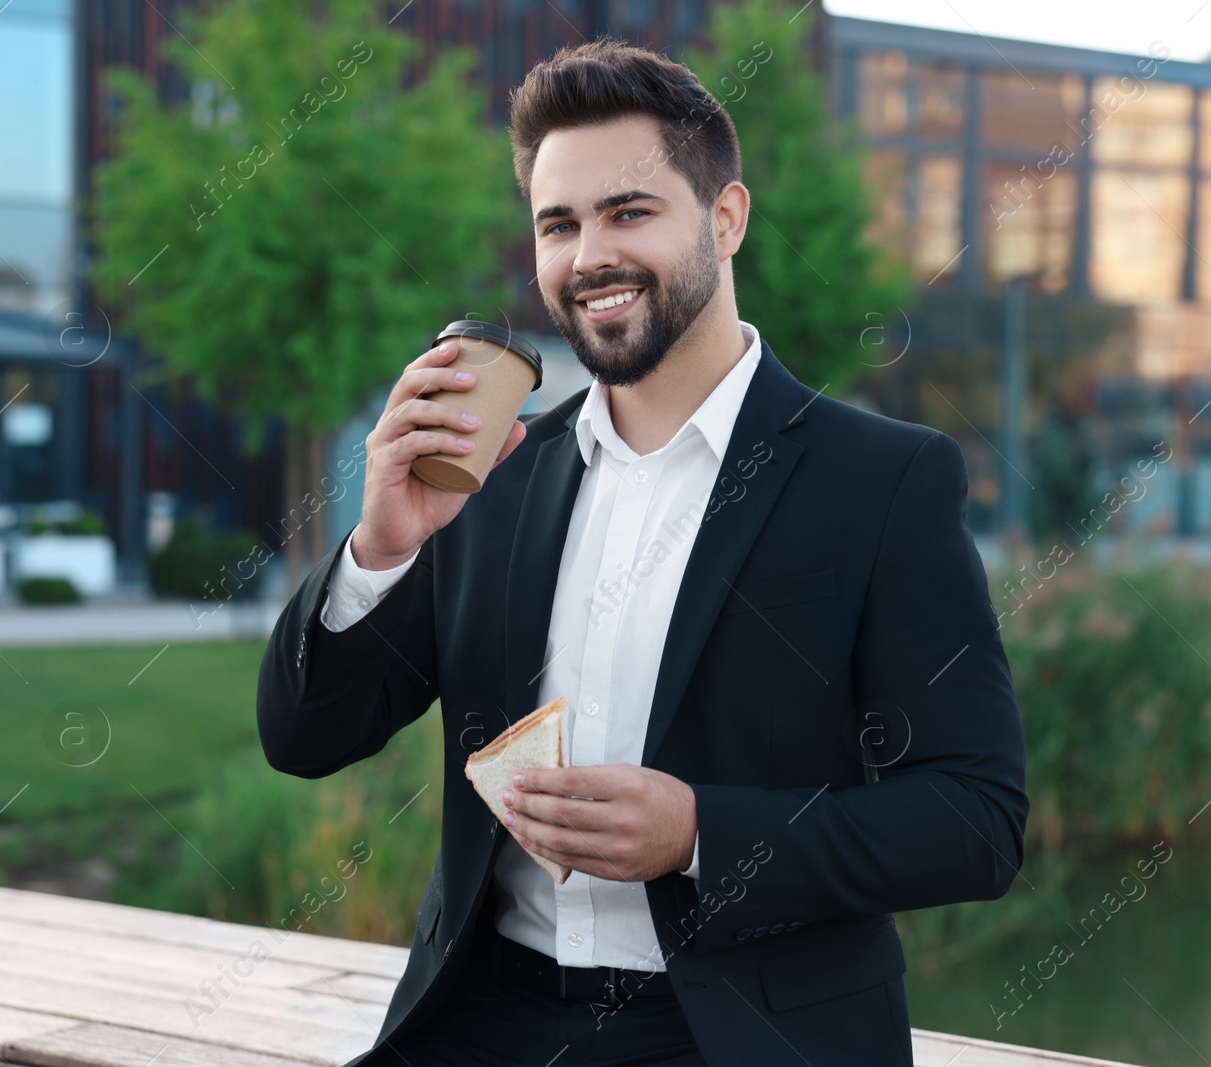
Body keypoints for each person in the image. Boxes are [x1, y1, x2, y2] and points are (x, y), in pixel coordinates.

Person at [256, 37, 1027, 1067]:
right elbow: (304, 738)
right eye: (558, 224)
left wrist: (703, 833)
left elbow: (975, 818)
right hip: (483, 1019)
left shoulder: (881, 482)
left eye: (628, 212)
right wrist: (380, 544)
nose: (588, 258)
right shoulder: (494, 482)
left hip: (739, 1036)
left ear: (725, 217)